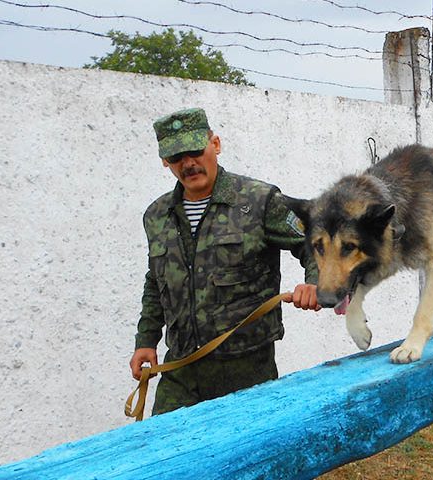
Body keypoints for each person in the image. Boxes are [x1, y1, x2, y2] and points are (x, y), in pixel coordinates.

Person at [130, 107, 319, 415]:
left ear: (215, 144)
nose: (188, 163)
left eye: (195, 150)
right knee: (169, 451)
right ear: (166, 161)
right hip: (181, 368)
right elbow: (156, 280)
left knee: (252, 454)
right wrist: (145, 340)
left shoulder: (259, 201)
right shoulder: (157, 215)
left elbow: (314, 244)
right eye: (177, 157)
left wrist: (315, 283)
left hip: (246, 370)